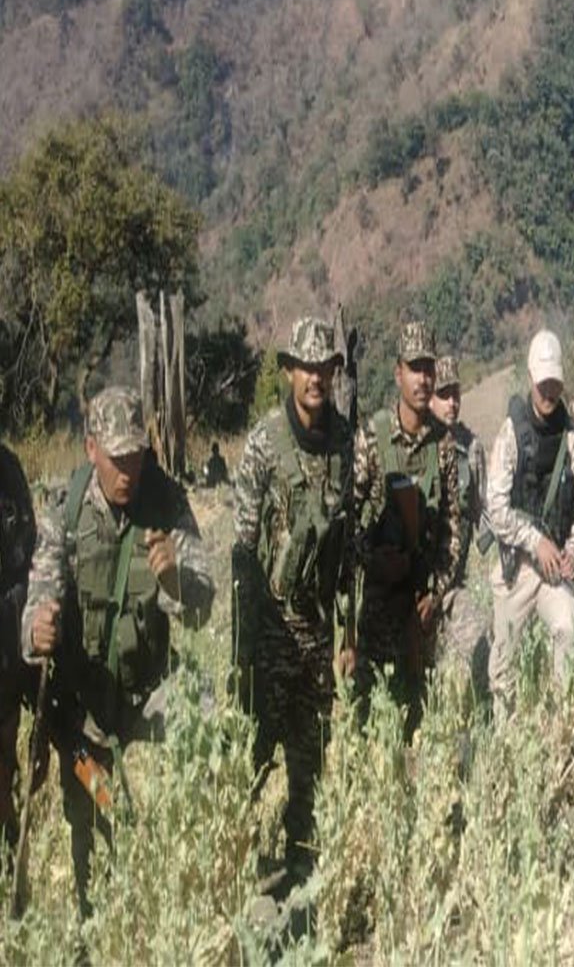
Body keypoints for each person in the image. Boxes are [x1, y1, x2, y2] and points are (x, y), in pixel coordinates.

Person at [22, 386, 214, 915]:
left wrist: (174, 580)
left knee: (203, 720)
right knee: (92, 830)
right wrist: (36, 629)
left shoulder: (168, 502)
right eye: (116, 459)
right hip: (84, 716)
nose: (128, 471)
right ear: (90, 449)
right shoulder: (65, 511)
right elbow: (39, 594)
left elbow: (202, 608)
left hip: (150, 698)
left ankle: (186, 888)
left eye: (137, 456)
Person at [231, 317, 356, 891]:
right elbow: (241, 550)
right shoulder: (263, 444)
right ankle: (235, 862)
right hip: (269, 632)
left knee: (311, 762)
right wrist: (243, 649)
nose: (315, 377)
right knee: (250, 760)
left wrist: (347, 634)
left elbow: (350, 546)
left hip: (318, 631)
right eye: (305, 366)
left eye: (324, 367)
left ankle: (301, 865)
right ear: (288, 371)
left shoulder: (346, 442)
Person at [352, 322, 460, 738]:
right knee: (367, 716)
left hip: (421, 604)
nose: (423, 378)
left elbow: (453, 526)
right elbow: (351, 519)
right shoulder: (373, 438)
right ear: (398, 373)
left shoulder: (443, 444)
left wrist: (435, 591)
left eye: (428, 368)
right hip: (380, 598)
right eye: (414, 368)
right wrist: (373, 559)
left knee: (420, 719)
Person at [484, 331, 574, 717]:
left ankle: (563, 723)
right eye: (543, 383)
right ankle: (504, 735)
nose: (549, 392)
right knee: (504, 661)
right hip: (518, 564)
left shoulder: (571, 434)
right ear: (531, 377)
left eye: (555, 384)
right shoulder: (513, 430)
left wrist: (572, 552)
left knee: (568, 626)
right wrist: (534, 542)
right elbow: (495, 506)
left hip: (553, 567)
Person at [428, 356, 491, 698]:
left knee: (483, 645)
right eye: (443, 394)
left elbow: (488, 511)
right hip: (415, 592)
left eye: (456, 393)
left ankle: (482, 728)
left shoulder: (472, 449)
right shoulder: (417, 447)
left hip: (453, 588)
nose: (451, 402)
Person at [0, 439, 38, 864]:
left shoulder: (8, 468)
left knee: (4, 760)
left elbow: (26, 557)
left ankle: (11, 853)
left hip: (6, 653)